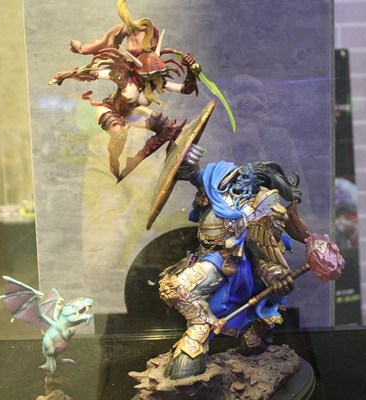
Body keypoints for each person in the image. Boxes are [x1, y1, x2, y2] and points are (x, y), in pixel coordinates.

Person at [157, 156, 312, 379]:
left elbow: (259, 250)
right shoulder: (214, 193)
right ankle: (199, 331)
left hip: (232, 262)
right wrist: (187, 162)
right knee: (172, 289)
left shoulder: (256, 207)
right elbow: (199, 178)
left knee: (178, 289)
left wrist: (271, 272)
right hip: (206, 256)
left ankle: (199, 337)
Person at [50, 0, 200, 181]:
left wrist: (191, 70)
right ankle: (114, 165)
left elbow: (186, 89)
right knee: (119, 134)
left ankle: (136, 161)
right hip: (110, 108)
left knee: (168, 129)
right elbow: (91, 73)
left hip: (131, 114)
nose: (153, 79)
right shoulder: (122, 75)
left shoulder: (155, 81)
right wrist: (64, 75)